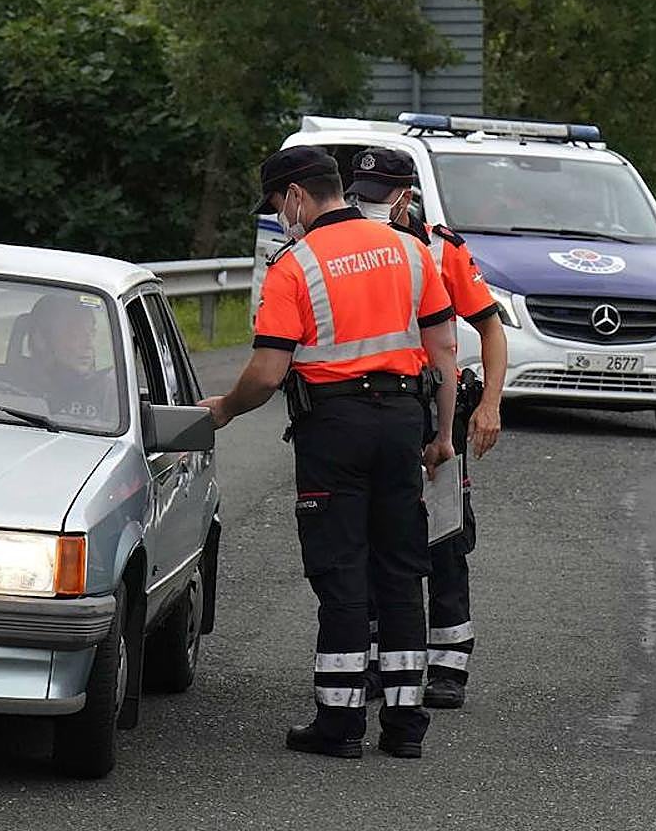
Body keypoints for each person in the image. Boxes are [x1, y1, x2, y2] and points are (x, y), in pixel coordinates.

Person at [199, 145, 459, 760]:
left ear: (295, 196)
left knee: (341, 569)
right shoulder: (409, 249)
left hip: (334, 427)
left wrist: (225, 409)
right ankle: (404, 724)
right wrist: (441, 435)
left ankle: (340, 725)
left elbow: (266, 372)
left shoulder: (296, 266)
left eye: (276, 204)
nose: (279, 216)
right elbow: (445, 350)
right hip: (403, 420)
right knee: (400, 568)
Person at [347, 147, 508, 709]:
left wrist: (489, 403)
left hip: (438, 410)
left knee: (441, 537)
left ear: (406, 196)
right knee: (370, 535)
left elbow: (490, 329)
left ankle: (447, 663)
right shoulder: (348, 246)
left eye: (375, 197)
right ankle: (369, 661)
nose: (364, 207)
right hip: (376, 408)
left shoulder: (441, 248)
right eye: (359, 196)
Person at [0, 293, 117, 424]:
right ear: (40, 339)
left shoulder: (107, 394)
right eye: (74, 334)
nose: (88, 345)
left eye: (91, 333)